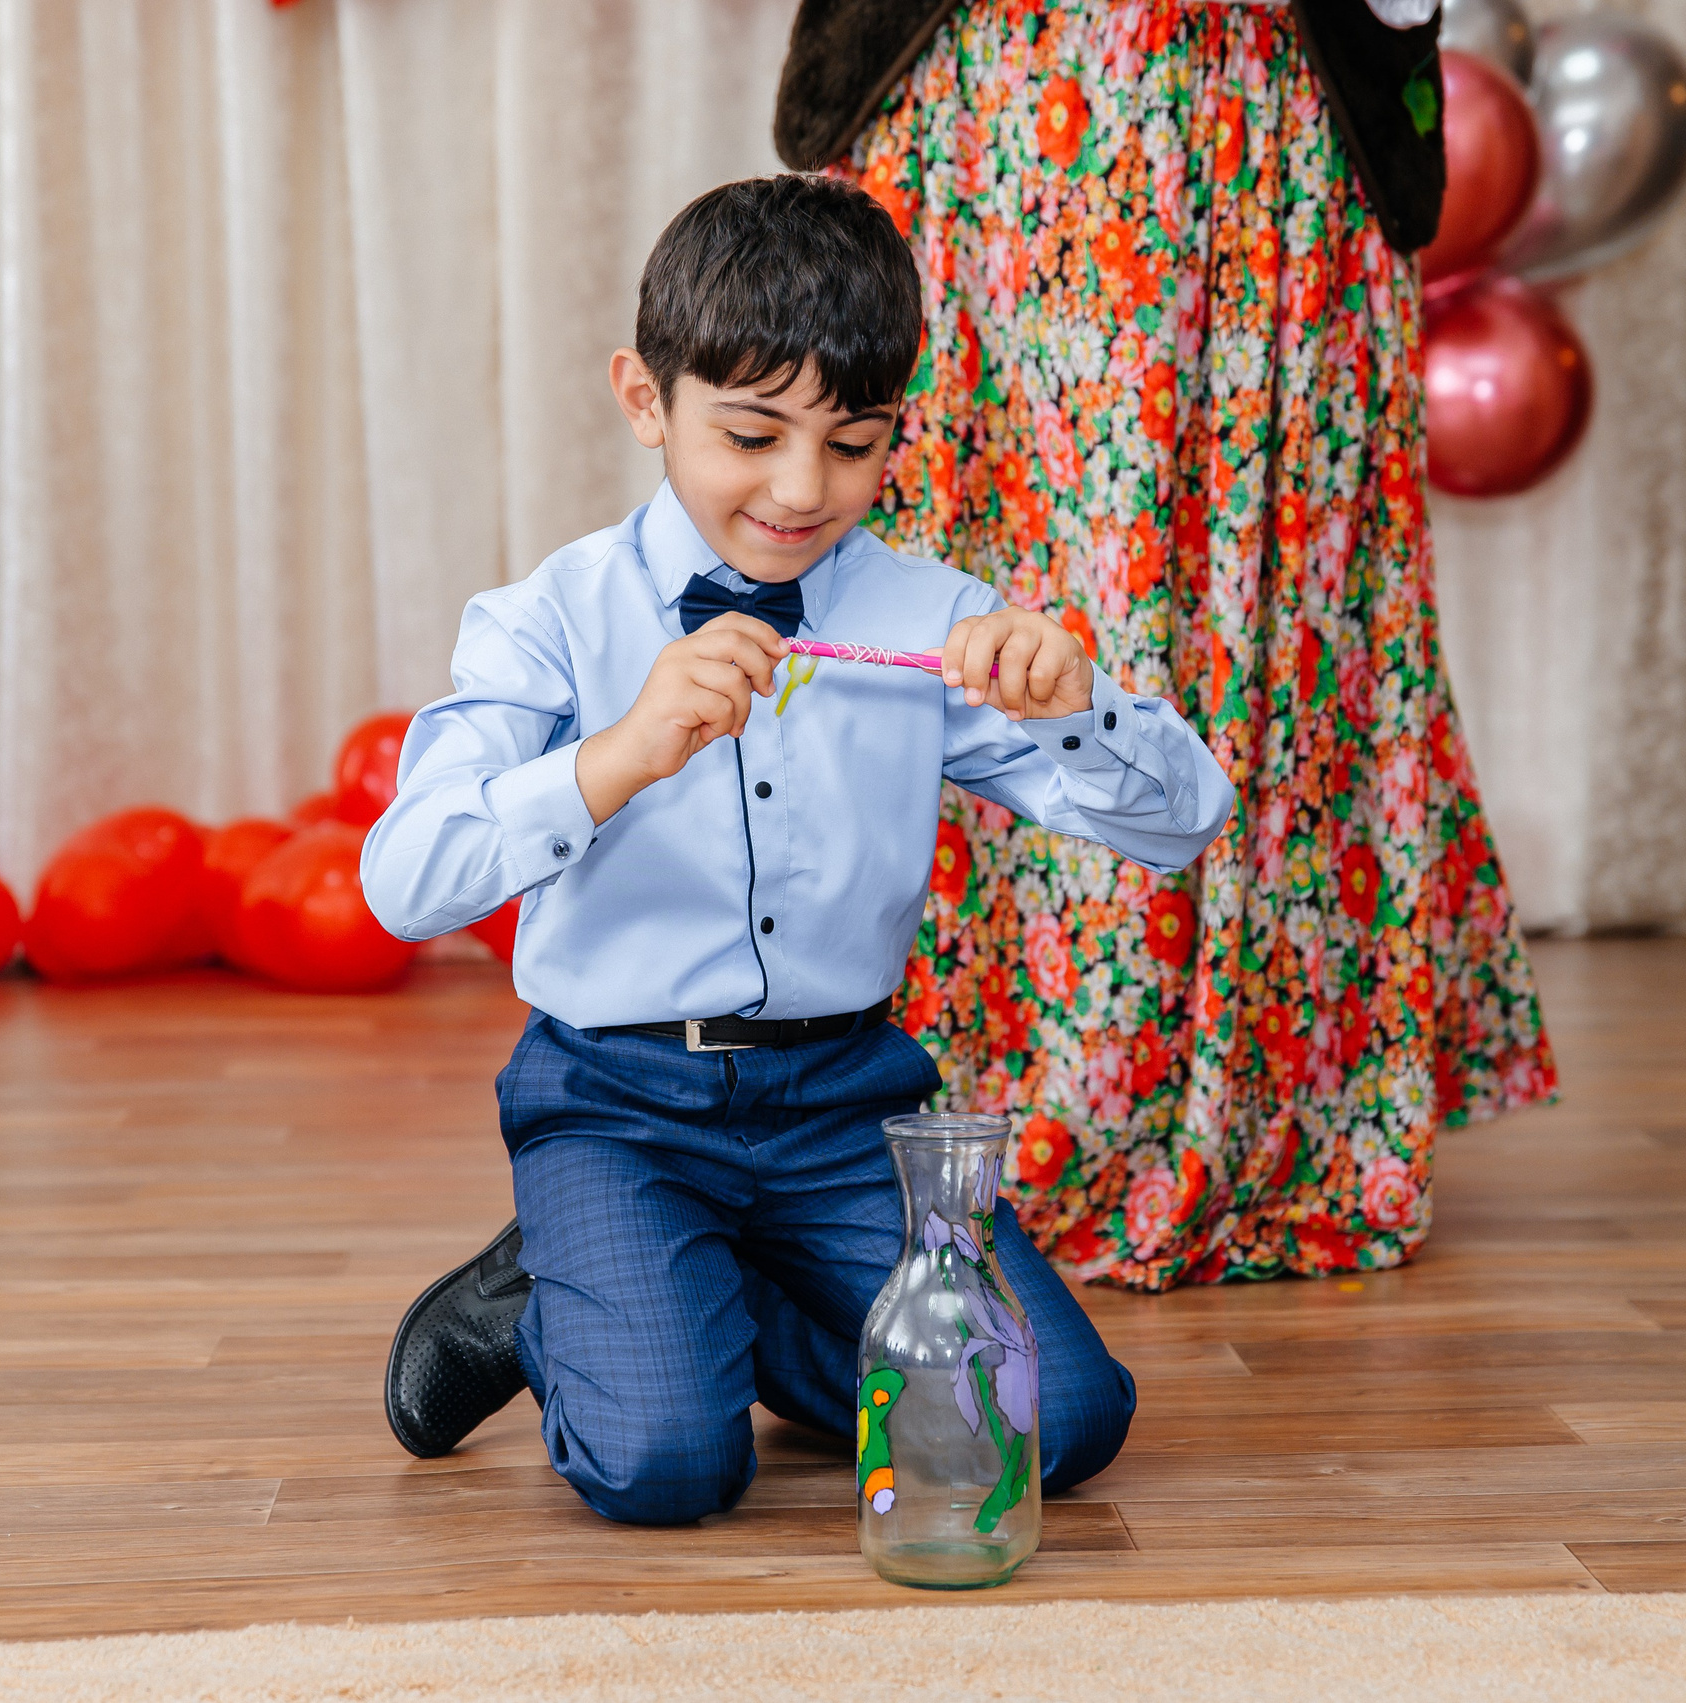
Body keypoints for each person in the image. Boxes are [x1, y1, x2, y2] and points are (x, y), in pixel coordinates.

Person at [364, 174, 1233, 1522]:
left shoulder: (930, 618)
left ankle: (696, 1291)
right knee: (665, 1467)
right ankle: (555, 1294)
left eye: (852, 442)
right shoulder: (551, 618)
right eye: (752, 433)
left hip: (846, 1106)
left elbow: (1184, 826)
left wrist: (1082, 707)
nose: (800, 488)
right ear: (646, 399)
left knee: (1061, 1423)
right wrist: (619, 755)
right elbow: (403, 883)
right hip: (617, 1104)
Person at [771, 0, 1559, 1289]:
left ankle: (1251, 1108)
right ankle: (916, 1116)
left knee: (1257, 619)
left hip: (1264, 111)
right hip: (975, 104)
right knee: (953, 587)